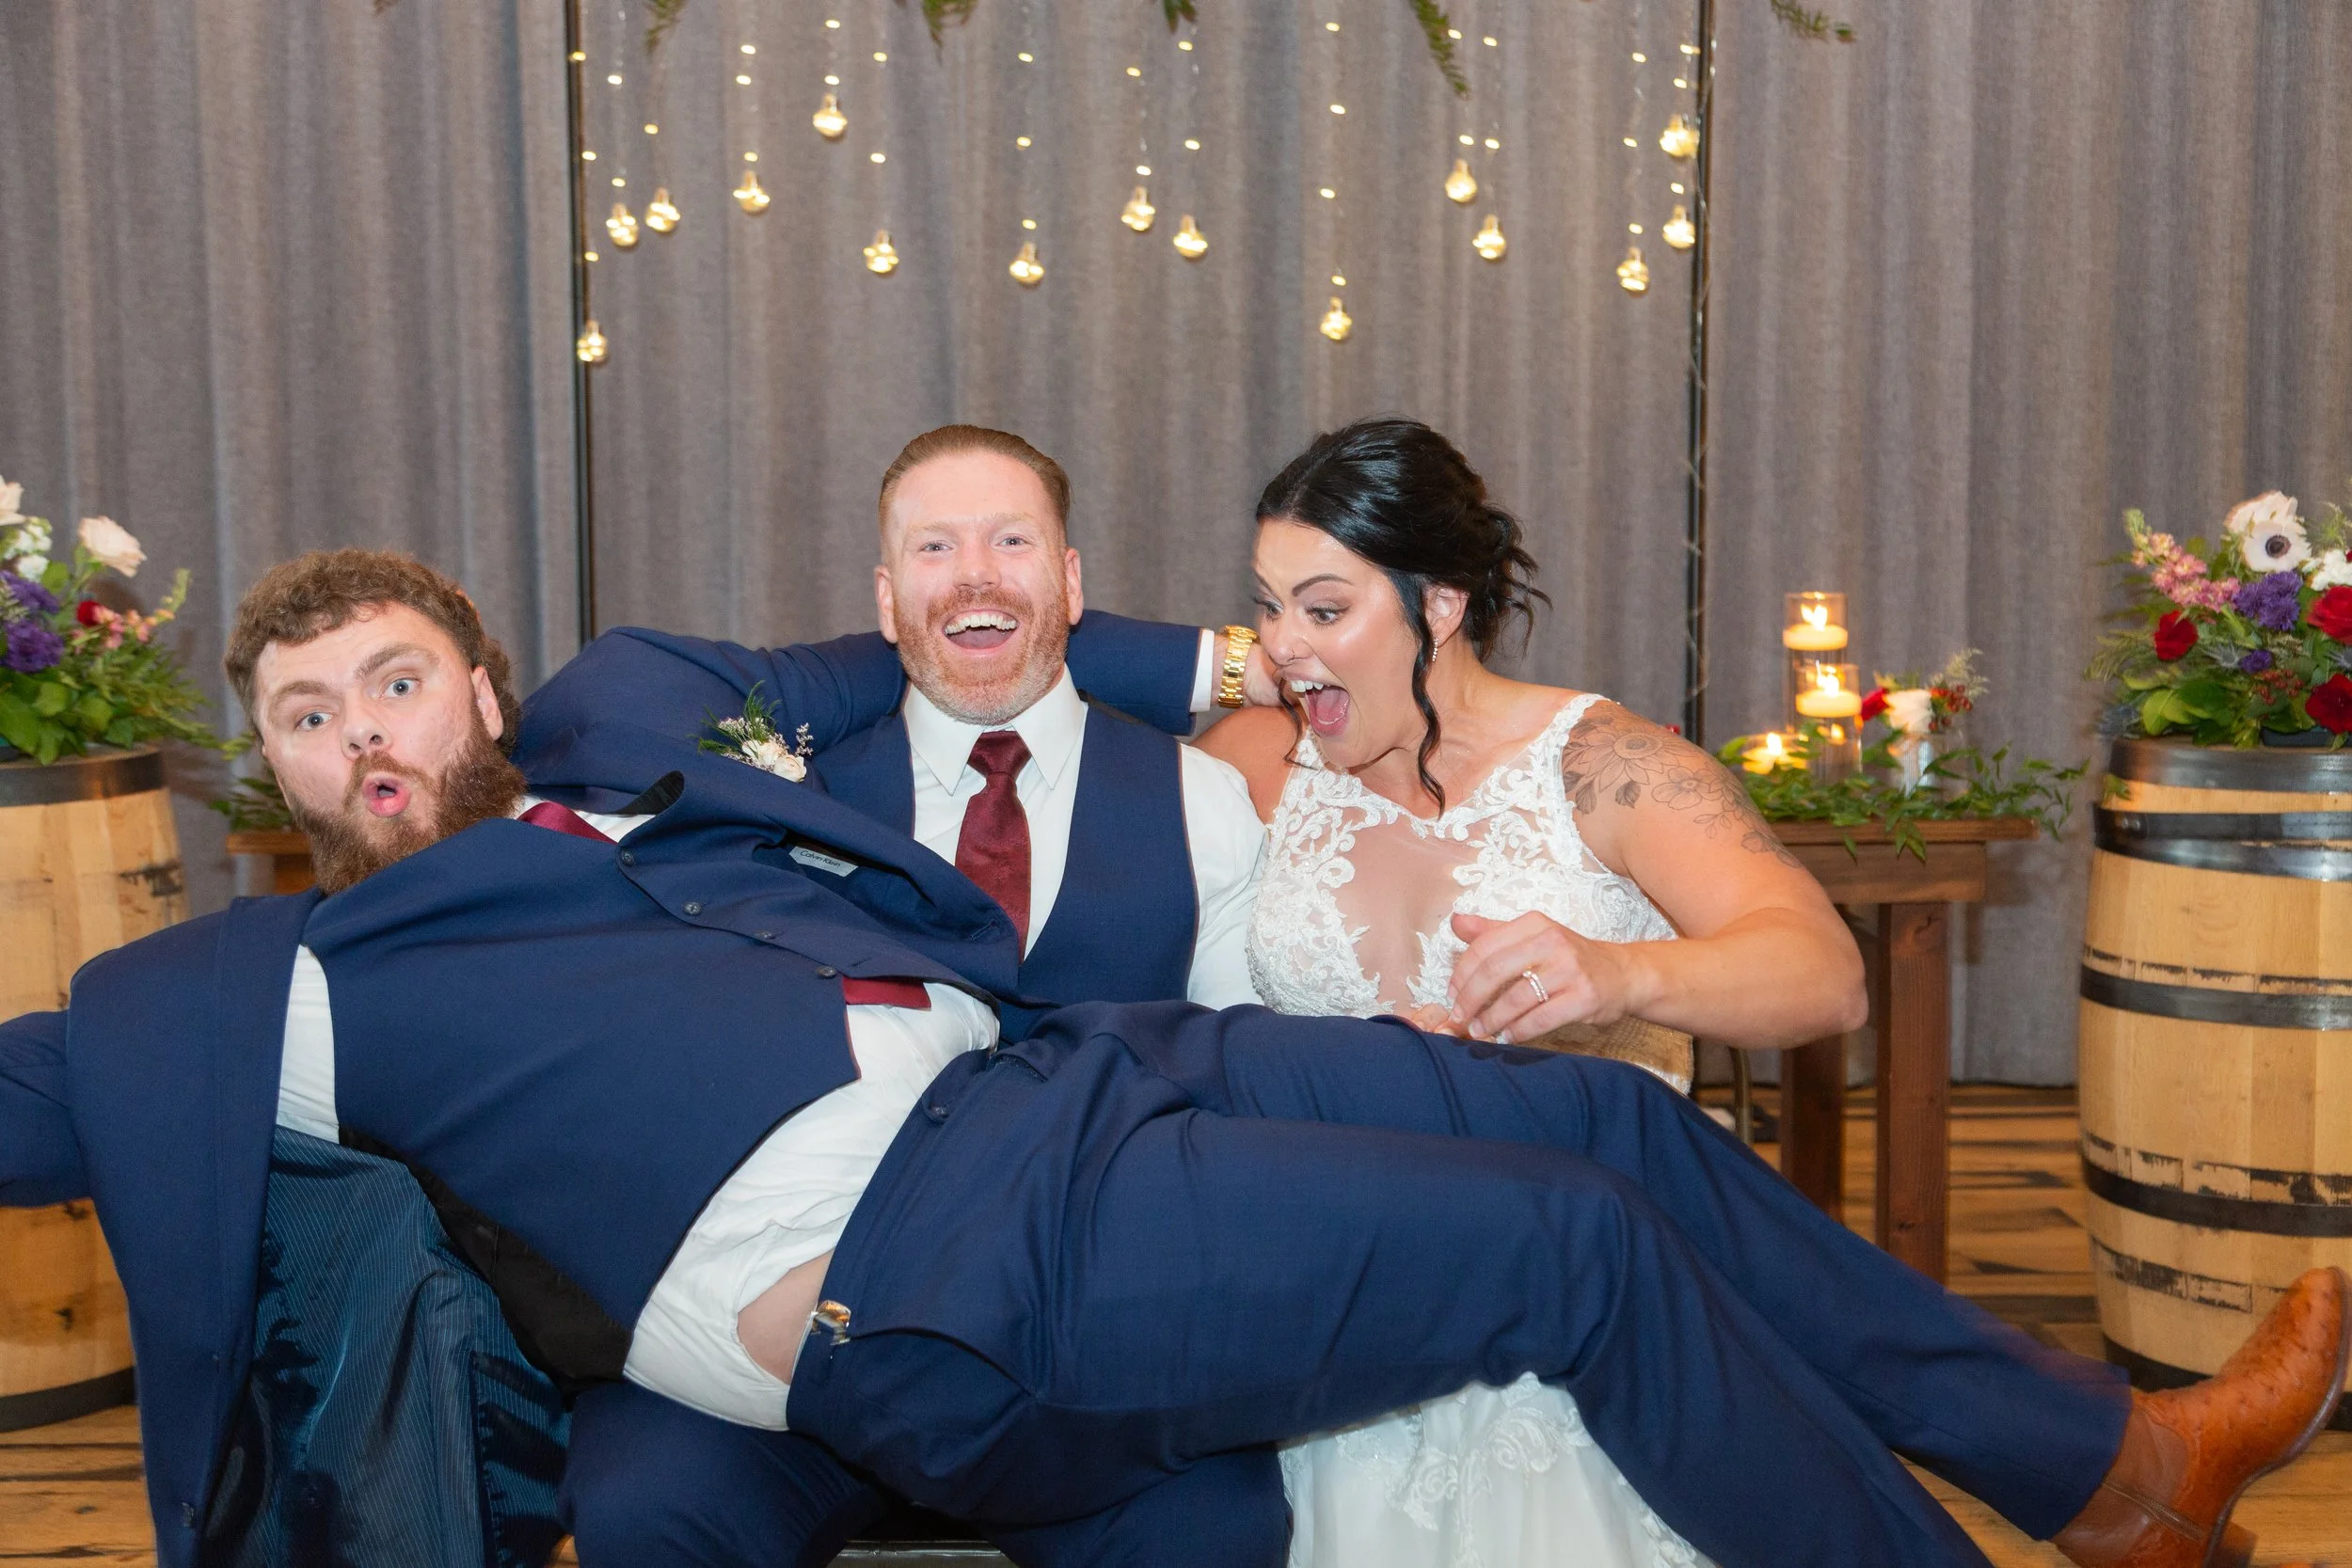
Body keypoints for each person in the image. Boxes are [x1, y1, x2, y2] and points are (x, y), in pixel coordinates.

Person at [4, 551, 2344, 1568]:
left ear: (480, 689)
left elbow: (948, 610)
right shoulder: (284, 995)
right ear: (281, 787)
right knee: (1572, 1261)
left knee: (1590, 1114)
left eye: (390, 681)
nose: (355, 737)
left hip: (1083, 1071)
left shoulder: (649, 749)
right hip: (935, 1255)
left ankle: (2113, 1467)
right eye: (304, 721)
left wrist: (1203, 623)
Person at [520, 426, 1283, 1567]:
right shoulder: (777, 797)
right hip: (809, 1348)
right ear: (886, 602)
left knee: (1217, 1527)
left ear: (1070, 582)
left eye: (1010, 540)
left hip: (1087, 1341)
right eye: (935, 547)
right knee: (644, 1504)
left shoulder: (1205, 798)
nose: (974, 574)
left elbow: (1241, 1075)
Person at [1194, 418, 1862, 1566]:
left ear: (1438, 605)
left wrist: (1622, 970)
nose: (1283, 648)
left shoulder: (1607, 765)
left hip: (1586, 1281)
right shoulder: (1252, 756)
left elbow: (1825, 974)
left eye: (1322, 607)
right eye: (1266, 605)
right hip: (1335, 1269)